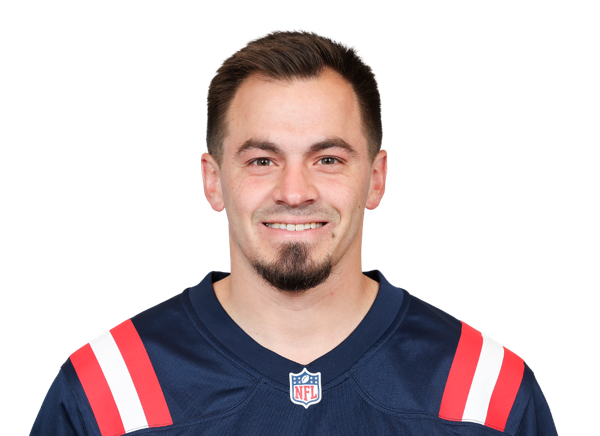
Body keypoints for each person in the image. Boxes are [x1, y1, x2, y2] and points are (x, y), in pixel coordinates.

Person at [31, 29, 557, 435]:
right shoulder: (109, 388)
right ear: (213, 181)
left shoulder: (486, 389)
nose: (294, 191)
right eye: (262, 160)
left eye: (328, 159)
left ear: (376, 179)